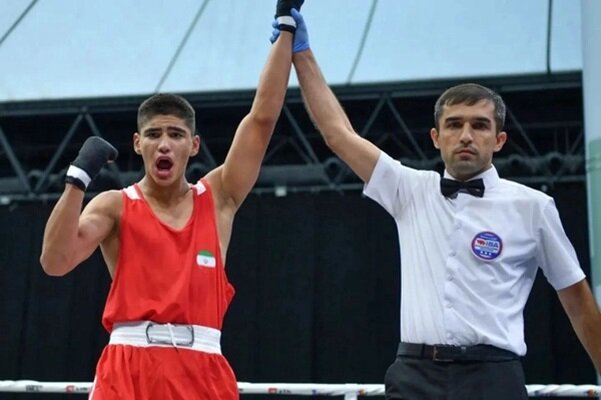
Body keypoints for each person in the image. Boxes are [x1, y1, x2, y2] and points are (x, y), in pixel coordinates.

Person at [282, 8, 601, 400]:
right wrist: (301, 50)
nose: (466, 135)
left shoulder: (533, 207)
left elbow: (577, 300)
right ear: (436, 136)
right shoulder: (410, 189)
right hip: (414, 375)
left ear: (499, 140)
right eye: (454, 124)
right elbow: (338, 134)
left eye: (479, 125)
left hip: (493, 377)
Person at [39, 1, 303, 398]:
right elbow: (55, 262)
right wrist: (76, 180)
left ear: (193, 145)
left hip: (203, 366)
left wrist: (284, 26)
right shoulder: (114, 205)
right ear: (138, 143)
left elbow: (262, 120)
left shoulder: (218, 197)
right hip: (128, 364)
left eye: (176, 135)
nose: (164, 144)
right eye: (154, 134)